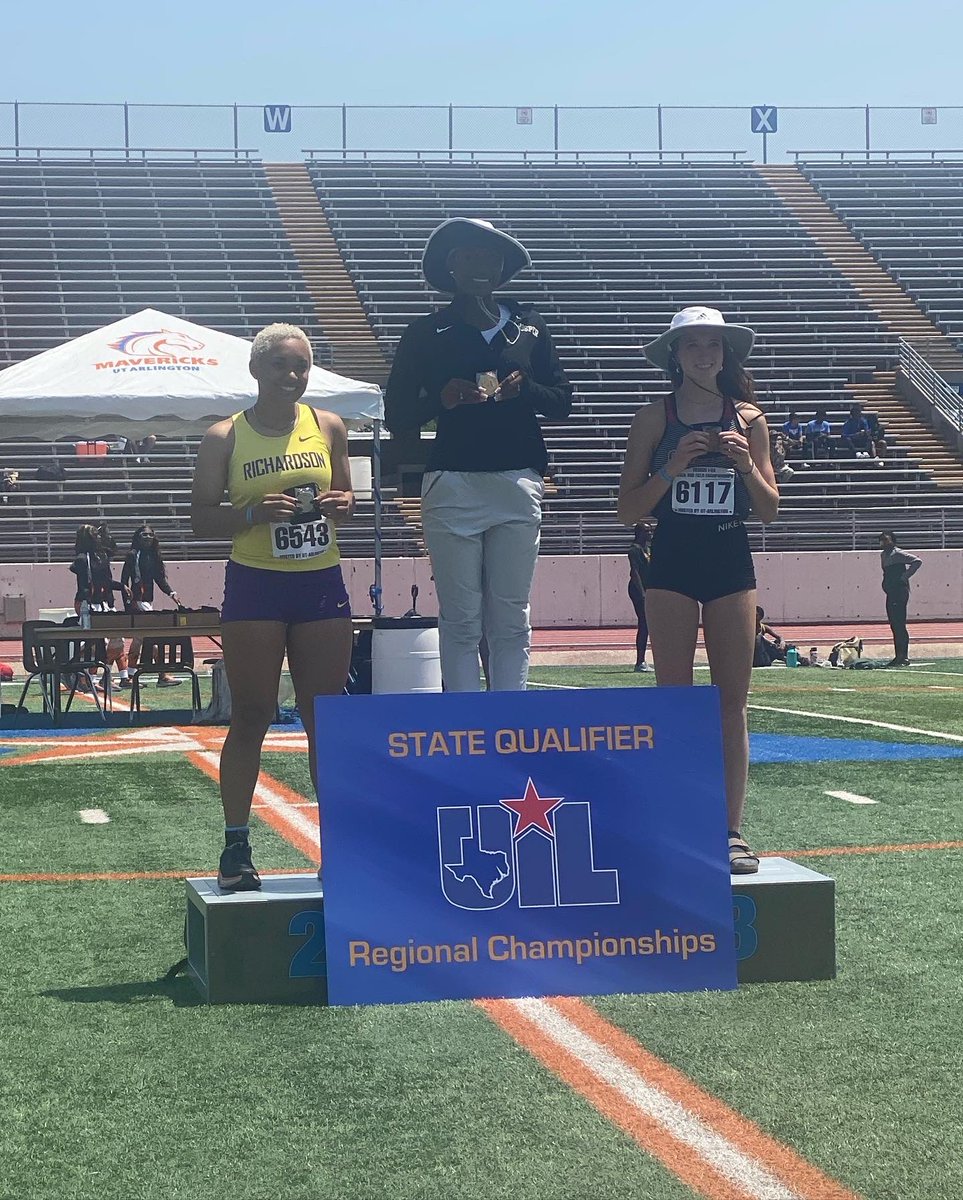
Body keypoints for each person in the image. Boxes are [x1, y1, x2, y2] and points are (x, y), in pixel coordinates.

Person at [190, 323, 354, 892]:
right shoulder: (224, 437)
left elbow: (348, 500)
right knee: (253, 714)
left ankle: (340, 847)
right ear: (257, 370)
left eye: (302, 366)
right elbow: (201, 517)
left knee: (325, 722)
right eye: (282, 365)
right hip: (257, 584)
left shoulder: (328, 425)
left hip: (320, 584)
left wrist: (341, 502)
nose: (293, 376)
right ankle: (236, 845)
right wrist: (255, 513)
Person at [617, 306, 780, 874]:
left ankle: (731, 830)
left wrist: (745, 468)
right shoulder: (656, 418)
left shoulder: (750, 418)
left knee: (731, 703)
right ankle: (677, 820)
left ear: (726, 353)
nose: (705, 355)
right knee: (675, 703)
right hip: (674, 565)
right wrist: (672, 470)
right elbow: (626, 509)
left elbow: (769, 511)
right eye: (693, 347)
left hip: (731, 562)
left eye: (713, 346)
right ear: (675, 356)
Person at [384, 217, 573, 691]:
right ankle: (466, 725)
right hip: (453, 482)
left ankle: (511, 720)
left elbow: (563, 401)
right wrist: (439, 400)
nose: (480, 264)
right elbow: (397, 414)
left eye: (491, 256)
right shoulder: (425, 332)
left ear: (503, 266)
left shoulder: (530, 326)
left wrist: (524, 388)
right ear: (451, 265)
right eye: (468, 255)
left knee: (511, 616)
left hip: (517, 481)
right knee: (462, 619)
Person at [121, 525, 183, 688]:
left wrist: (172, 593)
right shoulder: (132, 555)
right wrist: (129, 604)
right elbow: (124, 582)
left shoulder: (153, 556)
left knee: (139, 639)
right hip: (138, 602)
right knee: (150, 638)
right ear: (138, 537)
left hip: (148, 601)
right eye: (144, 535)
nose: (148, 538)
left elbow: (159, 579)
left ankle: (129, 676)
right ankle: (161, 674)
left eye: (150, 535)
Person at [69, 523, 130, 688]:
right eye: (93, 535)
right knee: (96, 643)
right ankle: (88, 678)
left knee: (117, 641)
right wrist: (85, 606)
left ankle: (102, 676)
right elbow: (86, 584)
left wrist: (120, 586)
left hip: (104, 603)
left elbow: (106, 581)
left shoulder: (101, 556)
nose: (97, 537)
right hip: (87, 603)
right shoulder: (82, 559)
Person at [878, 531, 922, 668]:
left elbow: (917, 561)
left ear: (893, 541)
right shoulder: (883, 555)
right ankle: (898, 655)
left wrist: (904, 577)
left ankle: (904, 656)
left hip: (899, 592)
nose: (884, 543)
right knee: (894, 624)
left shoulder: (898, 553)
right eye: (882, 540)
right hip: (891, 592)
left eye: (887, 540)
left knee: (899, 624)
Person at [627, 524, 652, 672]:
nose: (650, 533)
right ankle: (640, 661)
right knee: (644, 623)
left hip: (648, 589)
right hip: (638, 590)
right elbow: (634, 573)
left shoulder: (648, 549)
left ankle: (642, 660)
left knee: (648, 624)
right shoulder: (634, 550)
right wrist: (642, 593)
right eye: (647, 531)